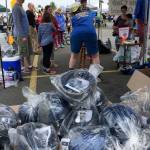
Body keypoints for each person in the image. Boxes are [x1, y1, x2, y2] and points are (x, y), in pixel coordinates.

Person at [69, 2, 100, 69]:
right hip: (90, 32)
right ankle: (97, 75)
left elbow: (73, 26)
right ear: (80, 8)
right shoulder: (89, 13)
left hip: (76, 33)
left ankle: (70, 73)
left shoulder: (73, 17)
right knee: (95, 55)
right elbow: (96, 17)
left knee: (74, 55)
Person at [12, 0, 32, 73]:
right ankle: (23, 68)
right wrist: (22, 35)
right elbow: (17, 23)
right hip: (21, 35)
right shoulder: (16, 8)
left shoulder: (20, 6)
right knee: (23, 51)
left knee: (28, 50)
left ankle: (29, 66)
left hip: (25, 33)